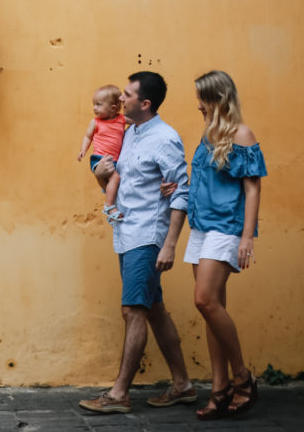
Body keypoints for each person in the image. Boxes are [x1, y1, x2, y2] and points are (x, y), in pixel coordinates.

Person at [79, 71, 195, 414]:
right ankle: (183, 385)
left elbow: (181, 192)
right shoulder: (128, 134)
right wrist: (102, 183)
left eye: (127, 95)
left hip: (147, 236)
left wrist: (170, 244)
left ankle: (118, 394)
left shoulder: (165, 138)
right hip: (128, 233)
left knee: (133, 311)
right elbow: (125, 186)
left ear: (144, 103)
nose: (120, 100)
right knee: (154, 310)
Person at [184, 71, 266, 420]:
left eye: (202, 98)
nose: (197, 104)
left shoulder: (241, 134)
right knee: (211, 307)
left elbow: (252, 188)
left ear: (218, 99)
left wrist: (246, 236)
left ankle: (242, 377)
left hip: (226, 228)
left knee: (203, 299)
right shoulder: (207, 134)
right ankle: (219, 389)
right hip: (201, 226)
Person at [77, 84, 127, 222]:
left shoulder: (121, 120)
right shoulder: (95, 122)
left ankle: (111, 204)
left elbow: (135, 120)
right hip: (99, 158)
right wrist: (83, 150)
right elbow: (88, 136)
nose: (94, 108)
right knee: (115, 179)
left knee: (113, 182)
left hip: (113, 160)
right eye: (94, 104)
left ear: (113, 108)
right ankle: (109, 206)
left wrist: (122, 99)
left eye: (98, 105)